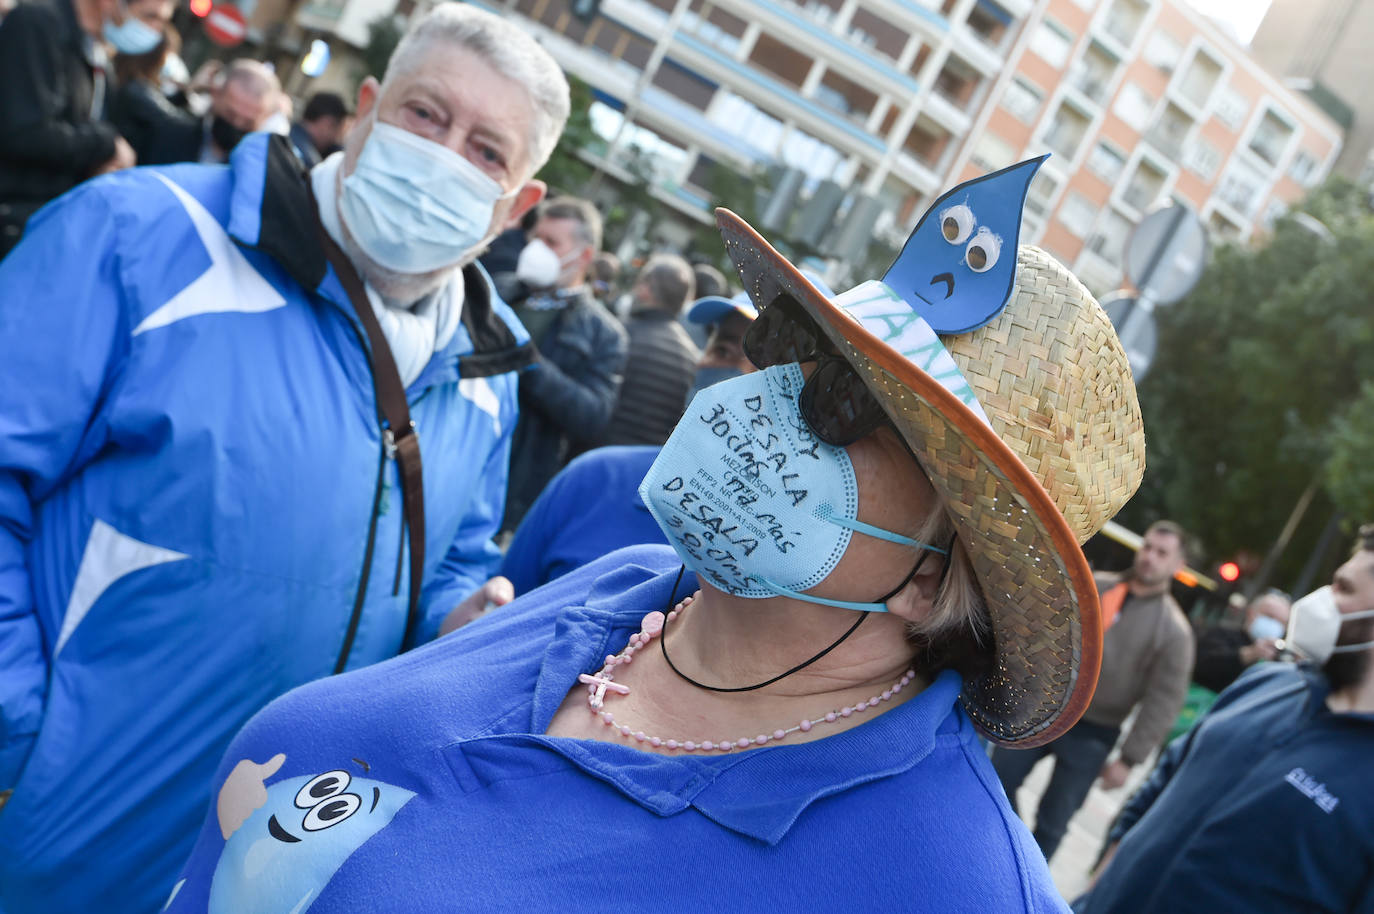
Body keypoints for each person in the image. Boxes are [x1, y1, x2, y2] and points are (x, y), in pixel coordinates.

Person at [164, 156, 1146, 912]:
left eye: (842, 397)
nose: (766, 396)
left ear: (935, 580)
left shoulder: (954, 882)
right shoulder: (629, 587)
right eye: (784, 346)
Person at [0, 5, 566, 912]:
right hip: (49, 835)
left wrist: (459, 618)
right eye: (426, 115)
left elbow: (449, 561)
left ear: (517, 204)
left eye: (487, 150)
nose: (444, 157)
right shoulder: (139, 233)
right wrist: (26, 735)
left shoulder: (487, 373)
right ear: (369, 108)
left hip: (250, 874)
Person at [1076, 526, 1374, 912]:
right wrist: (1097, 889)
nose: (1321, 601)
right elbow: (1159, 788)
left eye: (1344, 589)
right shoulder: (1267, 682)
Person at [492, 282, 787, 600]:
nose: (734, 384)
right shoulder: (595, 480)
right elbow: (494, 613)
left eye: (764, 370)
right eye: (723, 351)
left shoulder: (791, 572)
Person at [991, 521, 1196, 860]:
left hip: (1094, 733)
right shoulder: (1094, 587)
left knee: (1054, 821)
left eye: (1162, 553)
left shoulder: (1174, 631)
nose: (1150, 557)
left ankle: (1027, 881)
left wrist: (1129, 759)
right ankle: (1008, 851)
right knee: (996, 780)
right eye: (1147, 547)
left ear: (1178, 565)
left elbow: (1164, 701)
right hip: (1046, 708)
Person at [502, 196, 628, 531]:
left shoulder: (603, 333)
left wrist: (530, 364)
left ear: (584, 256)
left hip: (515, 491)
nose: (535, 250)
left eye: (551, 242)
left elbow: (592, 416)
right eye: (535, 239)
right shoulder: (497, 293)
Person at [0, 0, 136, 257]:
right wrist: (107, 143)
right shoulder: (38, 23)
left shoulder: (97, 54)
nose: (154, 29)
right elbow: (25, 132)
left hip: (50, 228)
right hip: (14, 225)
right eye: (150, 16)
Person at [600, 254, 700, 446]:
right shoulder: (692, 358)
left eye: (639, 283)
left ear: (646, 290)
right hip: (644, 470)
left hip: (595, 454)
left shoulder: (619, 334)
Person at [109, 16, 201, 166]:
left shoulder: (128, 81)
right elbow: (169, 118)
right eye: (167, 55)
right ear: (155, 57)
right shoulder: (136, 89)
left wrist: (186, 91)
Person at [156, 57, 282, 164]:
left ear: (266, 117)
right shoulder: (168, 132)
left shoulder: (260, 167)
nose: (237, 124)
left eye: (248, 123)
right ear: (216, 94)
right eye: (231, 114)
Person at [1192, 589, 1291, 693]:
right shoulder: (1221, 634)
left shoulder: (1280, 662)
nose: (1274, 625)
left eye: (1281, 622)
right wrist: (1249, 654)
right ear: (1250, 612)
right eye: (1270, 616)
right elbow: (1202, 665)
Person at [288, 90, 349, 167]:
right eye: (339, 130)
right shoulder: (309, 163)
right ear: (327, 124)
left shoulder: (283, 134)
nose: (336, 139)